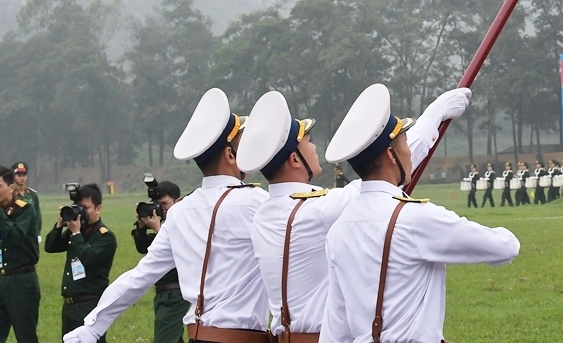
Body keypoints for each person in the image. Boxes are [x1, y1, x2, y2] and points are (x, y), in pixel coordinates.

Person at [238, 86, 464, 343]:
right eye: (308, 142)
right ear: (295, 160)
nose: (313, 147)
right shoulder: (318, 210)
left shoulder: (263, 213)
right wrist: (432, 117)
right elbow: (382, 176)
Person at [63, 88, 270, 343]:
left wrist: (93, 327)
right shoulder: (256, 202)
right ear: (230, 155)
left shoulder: (180, 212)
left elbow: (139, 277)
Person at [321, 82, 519, 341]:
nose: (409, 153)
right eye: (405, 143)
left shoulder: (338, 230)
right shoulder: (416, 218)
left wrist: (436, 115)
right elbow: (505, 248)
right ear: (392, 156)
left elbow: (335, 328)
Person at [46, 184, 117, 342]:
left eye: (86, 208)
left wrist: (76, 233)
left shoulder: (105, 236)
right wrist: (59, 225)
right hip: (70, 306)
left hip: (89, 305)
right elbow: (50, 247)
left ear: (98, 208)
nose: (81, 212)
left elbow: (88, 259)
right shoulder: (76, 232)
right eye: (78, 207)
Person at [130, 180, 187, 343]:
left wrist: (157, 229)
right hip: (163, 292)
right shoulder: (165, 225)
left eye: (164, 204)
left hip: (177, 292)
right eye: (157, 204)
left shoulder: (185, 223)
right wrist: (141, 227)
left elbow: (177, 249)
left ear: (178, 201)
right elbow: (144, 248)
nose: (160, 209)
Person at [0, 164, 40, 342]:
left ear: (10, 187)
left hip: (21, 279)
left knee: (25, 336)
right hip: (1, 276)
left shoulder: (25, 209)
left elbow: (14, 236)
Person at [10, 163, 40, 239]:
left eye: (24, 175)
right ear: (14, 176)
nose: (22, 178)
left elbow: (37, 216)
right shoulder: (10, 195)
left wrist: (38, 233)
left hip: (31, 234)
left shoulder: (32, 194)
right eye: (19, 176)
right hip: (17, 232)